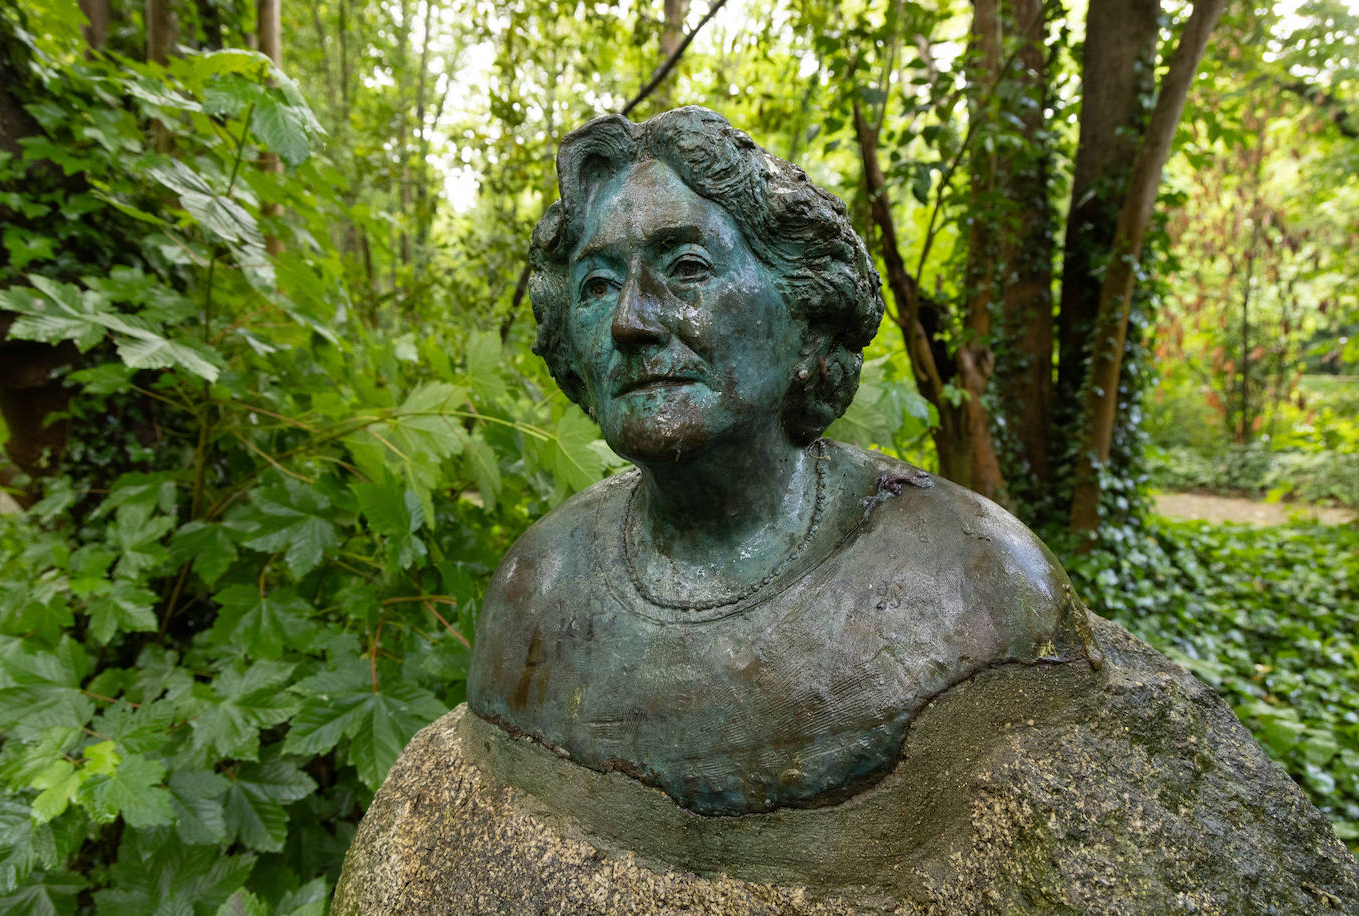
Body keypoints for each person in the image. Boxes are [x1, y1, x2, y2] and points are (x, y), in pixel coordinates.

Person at [467, 107, 1096, 817]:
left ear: (807, 313)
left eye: (688, 268)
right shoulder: (536, 593)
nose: (631, 320)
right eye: (598, 285)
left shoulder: (974, 580)